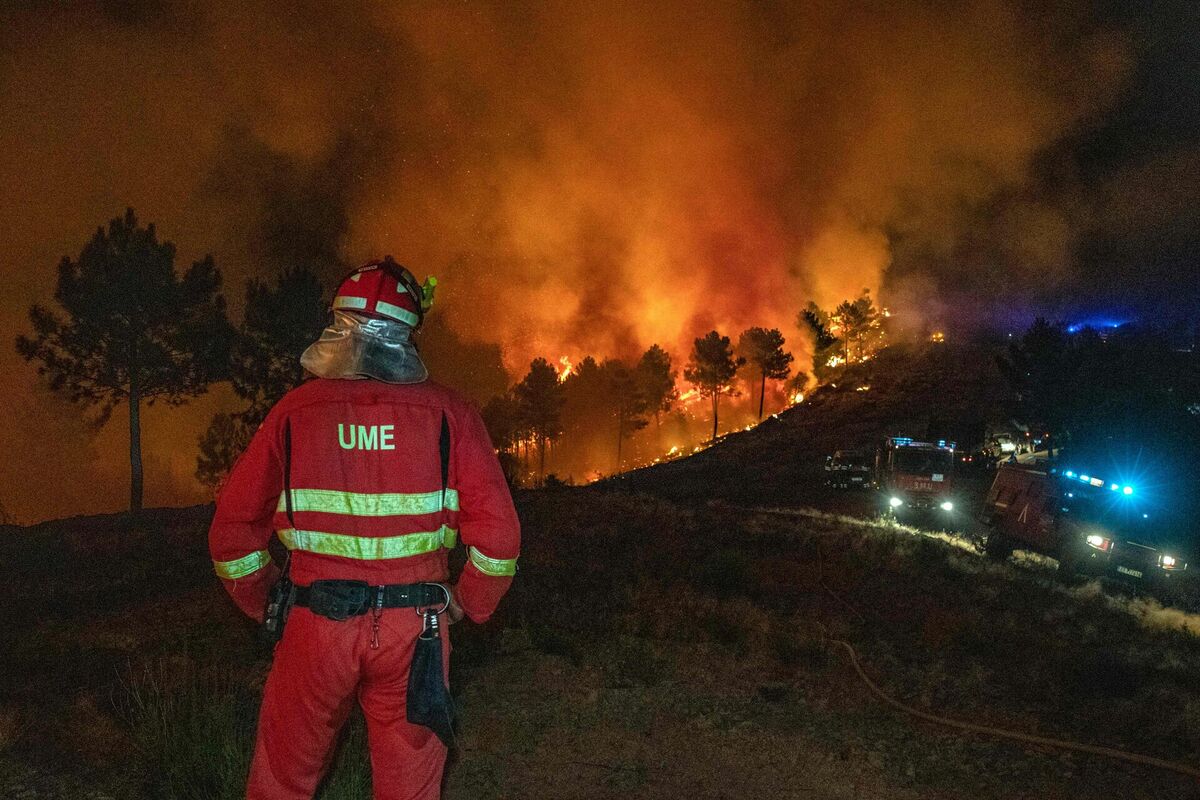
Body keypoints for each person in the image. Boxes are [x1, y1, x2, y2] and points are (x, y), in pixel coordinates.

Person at [209, 258, 520, 800]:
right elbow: (500, 538)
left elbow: (232, 533)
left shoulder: (294, 412)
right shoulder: (451, 415)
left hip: (313, 623)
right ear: (409, 331)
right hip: (417, 628)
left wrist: (268, 603)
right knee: (410, 787)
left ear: (336, 323)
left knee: (282, 781)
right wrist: (466, 601)